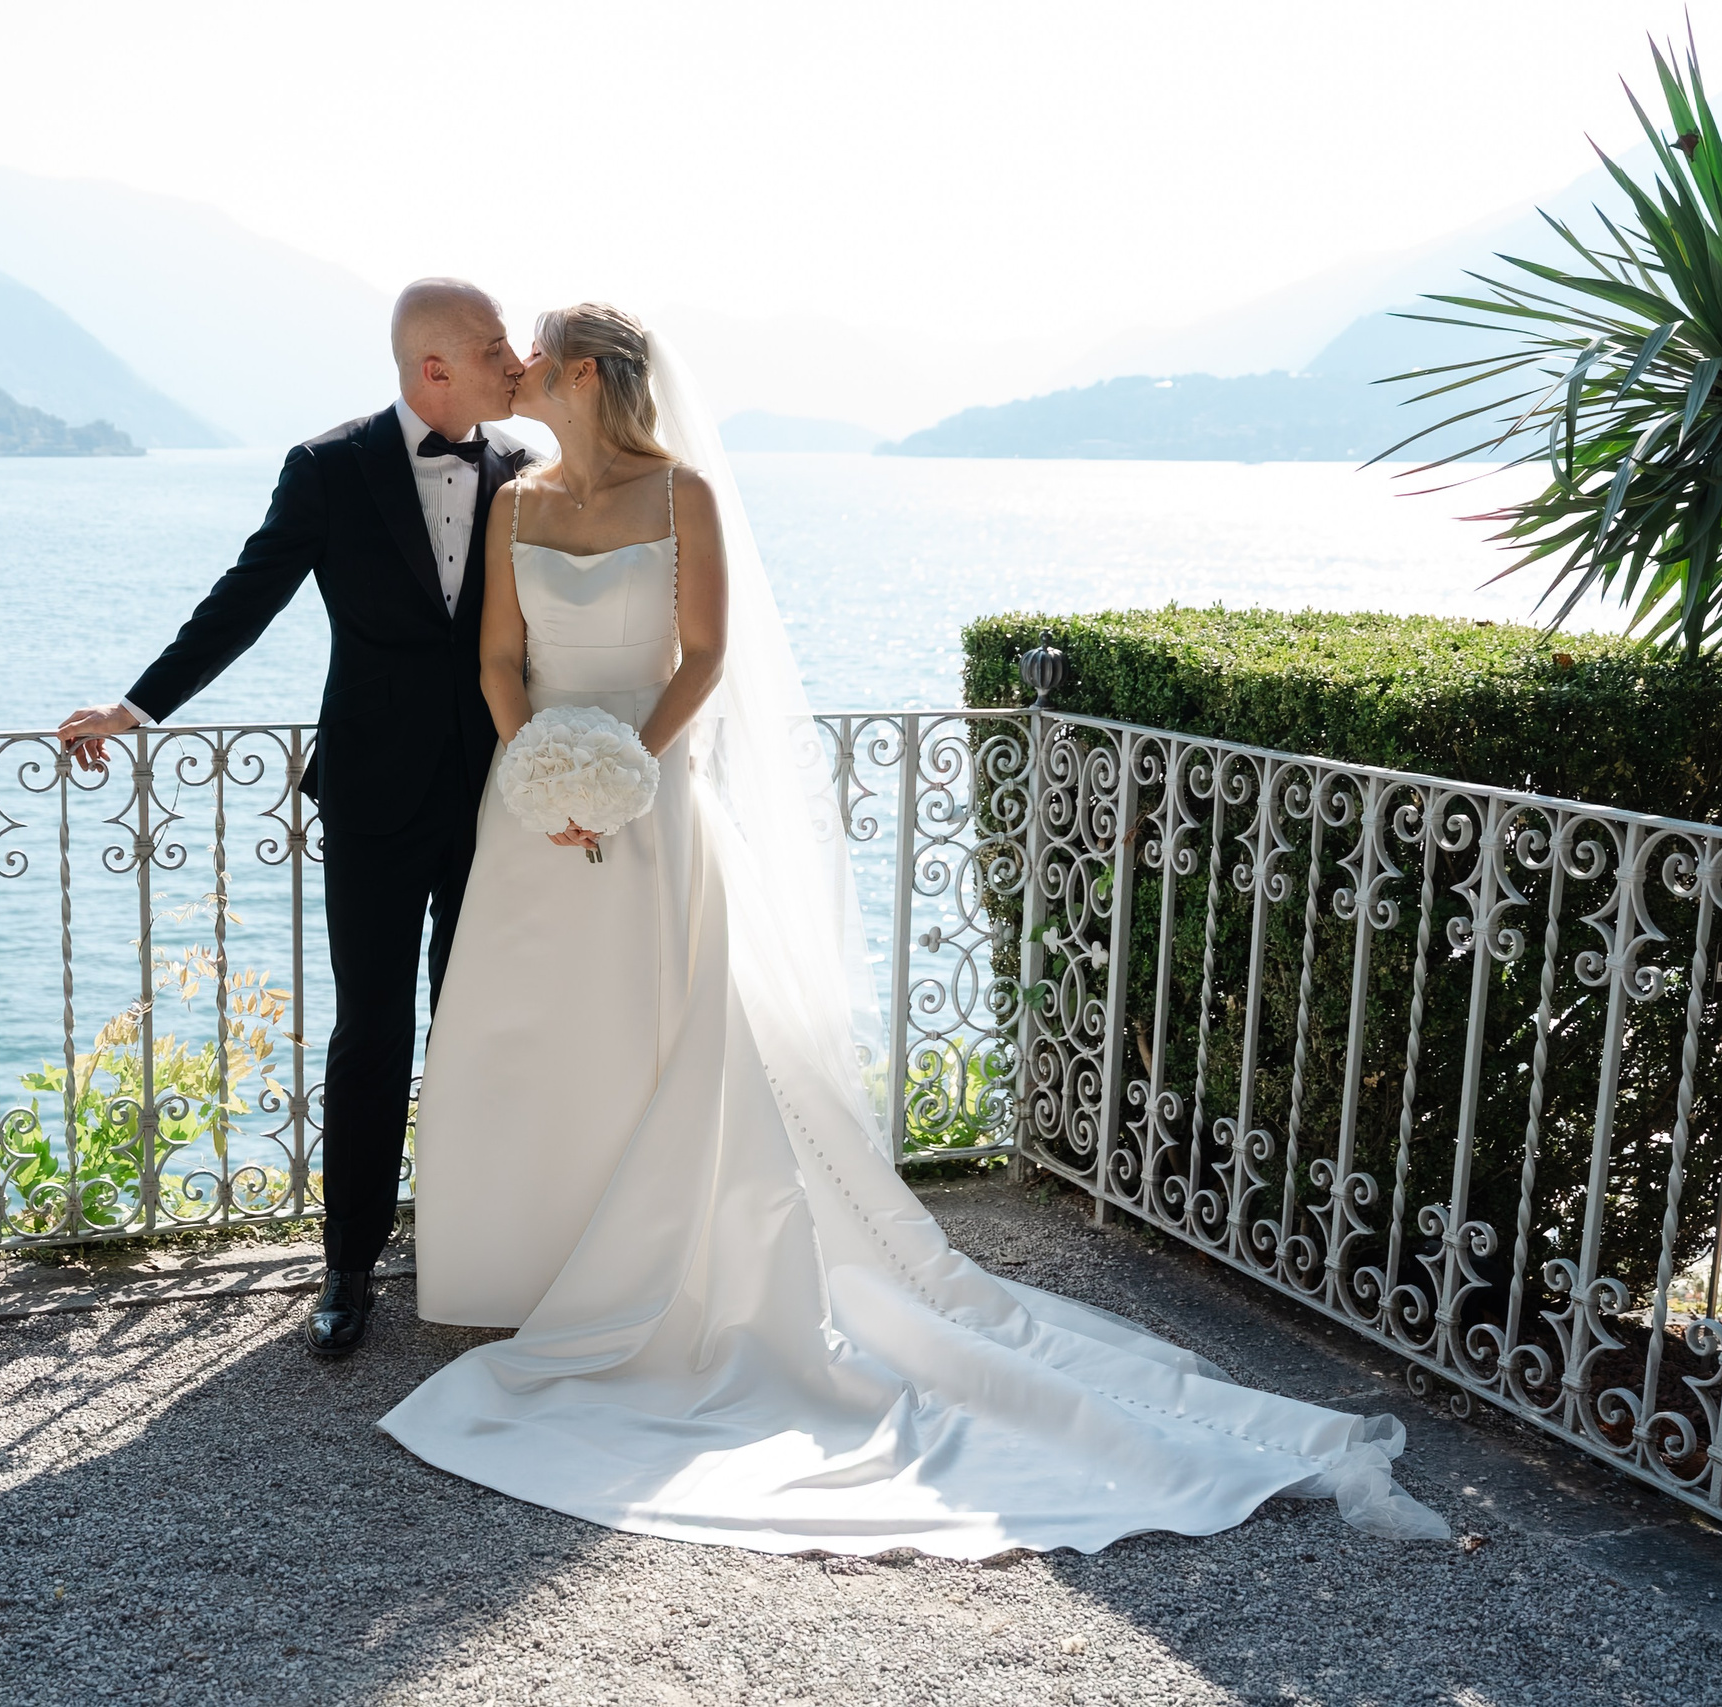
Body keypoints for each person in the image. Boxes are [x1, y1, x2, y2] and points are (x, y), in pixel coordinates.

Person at [377, 302, 1451, 1559]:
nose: (520, 372)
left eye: (537, 358)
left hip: (651, 801)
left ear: (582, 378)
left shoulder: (685, 498)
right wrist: (546, 770)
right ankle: (528, 1268)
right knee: (528, 1040)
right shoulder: (516, 505)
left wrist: (625, 767)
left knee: (656, 1037)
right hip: (541, 811)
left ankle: (648, 1280)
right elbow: (502, 661)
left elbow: (707, 655)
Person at [57, 279, 533, 1357]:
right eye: (496, 345)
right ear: (434, 368)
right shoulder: (329, 468)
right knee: (373, 1031)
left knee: (483, 1023)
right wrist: (135, 708)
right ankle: (349, 1269)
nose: (516, 360)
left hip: (500, 792)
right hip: (369, 792)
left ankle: (479, 1246)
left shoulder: (522, 469)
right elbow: (248, 593)